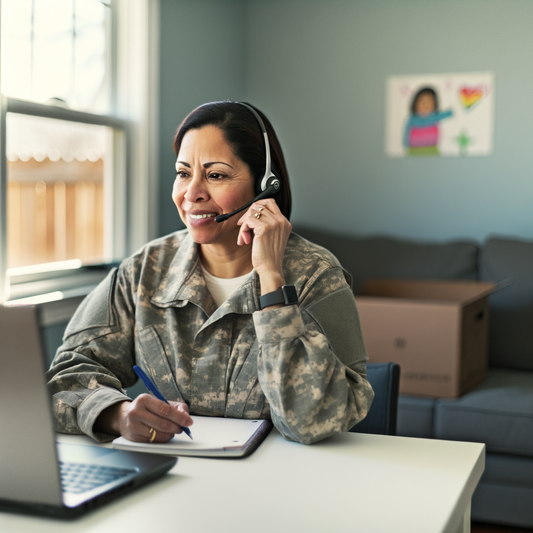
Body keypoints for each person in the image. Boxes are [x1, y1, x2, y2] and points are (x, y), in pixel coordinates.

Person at [47, 101, 374, 445]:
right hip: (176, 477)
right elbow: (65, 376)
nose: (191, 194)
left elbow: (316, 420)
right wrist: (118, 414)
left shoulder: (317, 275)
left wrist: (272, 279)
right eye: (184, 173)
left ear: (266, 185)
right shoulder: (144, 271)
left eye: (215, 175)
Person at [403, 86, 453, 156]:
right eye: (422, 101)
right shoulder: (412, 119)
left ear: (434, 104)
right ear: (415, 103)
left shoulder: (435, 117)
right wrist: (405, 147)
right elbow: (405, 134)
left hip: (433, 151)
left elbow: (448, 113)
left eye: (429, 101)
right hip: (414, 152)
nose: (425, 104)